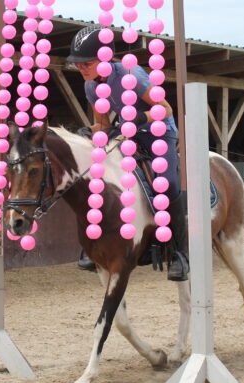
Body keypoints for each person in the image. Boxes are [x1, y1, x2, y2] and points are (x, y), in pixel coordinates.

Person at [68, 25, 188, 281]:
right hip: (128, 133)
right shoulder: (91, 86)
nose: (81, 68)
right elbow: (103, 124)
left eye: (86, 63)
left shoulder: (129, 74)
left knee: (168, 182)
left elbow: (166, 109)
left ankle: (180, 253)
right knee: (100, 172)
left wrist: (138, 118)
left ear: (105, 59)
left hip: (159, 132)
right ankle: (94, 242)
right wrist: (87, 131)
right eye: (77, 64)